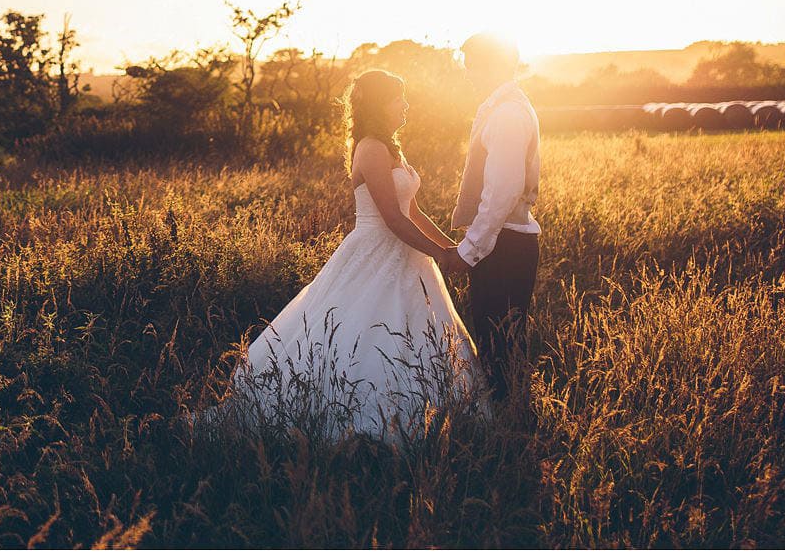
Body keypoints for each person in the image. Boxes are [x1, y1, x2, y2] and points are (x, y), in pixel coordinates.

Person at [205, 69, 489, 444]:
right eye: (397, 98)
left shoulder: (392, 148)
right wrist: (439, 253)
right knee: (364, 330)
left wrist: (450, 252)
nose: (404, 105)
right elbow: (391, 218)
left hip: (408, 254)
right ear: (377, 104)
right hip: (375, 251)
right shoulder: (370, 148)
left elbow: (414, 212)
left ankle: (432, 414)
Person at [439, 32, 541, 402]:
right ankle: (510, 419)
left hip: (505, 244)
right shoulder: (502, 106)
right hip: (506, 241)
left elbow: (503, 191)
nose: (467, 72)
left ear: (492, 64)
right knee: (500, 343)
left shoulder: (509, 114)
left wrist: (469, 251)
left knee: (499, 345)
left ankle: (510, 428)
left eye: (472, 63)